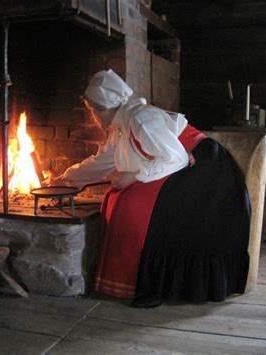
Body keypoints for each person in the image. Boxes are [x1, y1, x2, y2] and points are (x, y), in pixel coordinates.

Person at [50, 69, 251, 308]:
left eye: (92, 111)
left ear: (103, 108)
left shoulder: (141, 119)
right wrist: (65, 179)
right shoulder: (121, 126)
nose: (92, 117)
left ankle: (155, 285)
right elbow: (101, 163)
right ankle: (131, 281)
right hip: (174, 165)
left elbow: (177, 158)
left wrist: (134, 176)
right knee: (116, 197)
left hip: (206, 172)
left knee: (135, 205)